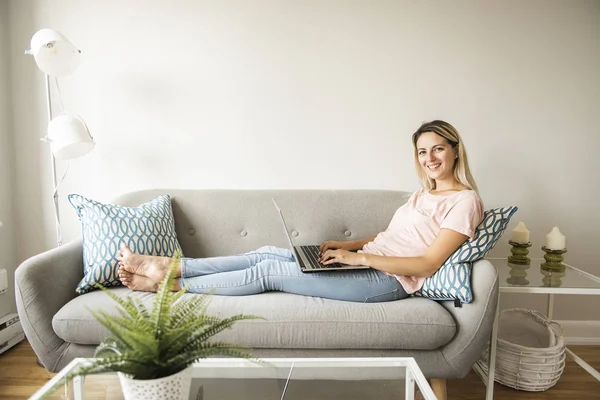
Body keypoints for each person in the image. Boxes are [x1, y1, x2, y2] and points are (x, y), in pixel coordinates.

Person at [117, 120, 484, 303]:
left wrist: (359, 260)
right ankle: (168, 265)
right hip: (369, 260)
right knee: (266, 253)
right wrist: (348, 246)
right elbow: (391, 238)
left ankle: (169, 285)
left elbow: (426, 264)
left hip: (389, 281)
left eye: (437, 149)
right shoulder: (424, 194)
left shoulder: (464, 201)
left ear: (454, 150)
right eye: (422, 152)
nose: (430, 158)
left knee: (269, 273)